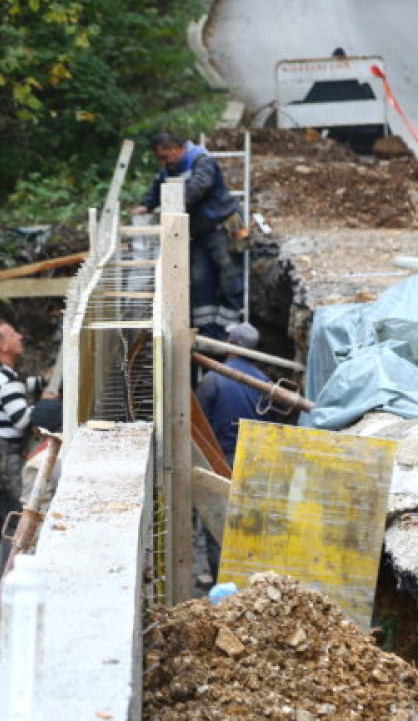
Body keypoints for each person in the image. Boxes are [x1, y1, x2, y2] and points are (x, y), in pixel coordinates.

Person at [130, 132, 241, 340]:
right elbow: (155, 189)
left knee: (229, 274)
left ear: (176, 149)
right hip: (198, 232)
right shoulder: (168, 170)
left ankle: (229, 328)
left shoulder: (201, 160)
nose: (163, 162)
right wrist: (146, 205)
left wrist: (173, 204)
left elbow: (199, 186)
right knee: (200, 279)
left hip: (221, 225)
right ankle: (206, 332)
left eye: (165, 157)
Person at [193, 322, 280, 584]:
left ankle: (223, 582)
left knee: (218, 523)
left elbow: (196, 426)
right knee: (251, 526)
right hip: (257, 464)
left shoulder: (213, 380)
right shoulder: (265, 384)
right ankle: (252, 580)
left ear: (230, 342)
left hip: (222, 461)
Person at [0, 319, 55, 590]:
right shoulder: (8, 382)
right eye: (12, 334)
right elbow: (22, 419)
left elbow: (12, 388)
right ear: (3, 346)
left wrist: (41, 382)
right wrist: (49, 407)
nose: (20, 336)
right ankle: (8, 587)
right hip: (5, 461)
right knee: (15, 522)